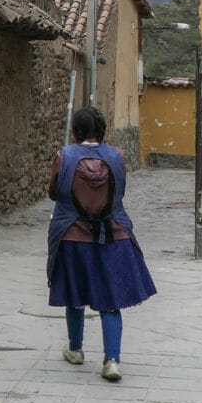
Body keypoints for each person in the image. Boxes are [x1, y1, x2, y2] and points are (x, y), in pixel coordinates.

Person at [46, 104, 156, 381]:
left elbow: (54, 192)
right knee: (111, 301)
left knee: (75, 297)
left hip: (72, 236)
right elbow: (120, 191)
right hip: (113, 235)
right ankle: (112, 360)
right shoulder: (117, 157)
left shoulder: (65, 156)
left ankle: (75, 349)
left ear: (75, 131)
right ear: (103, 131)